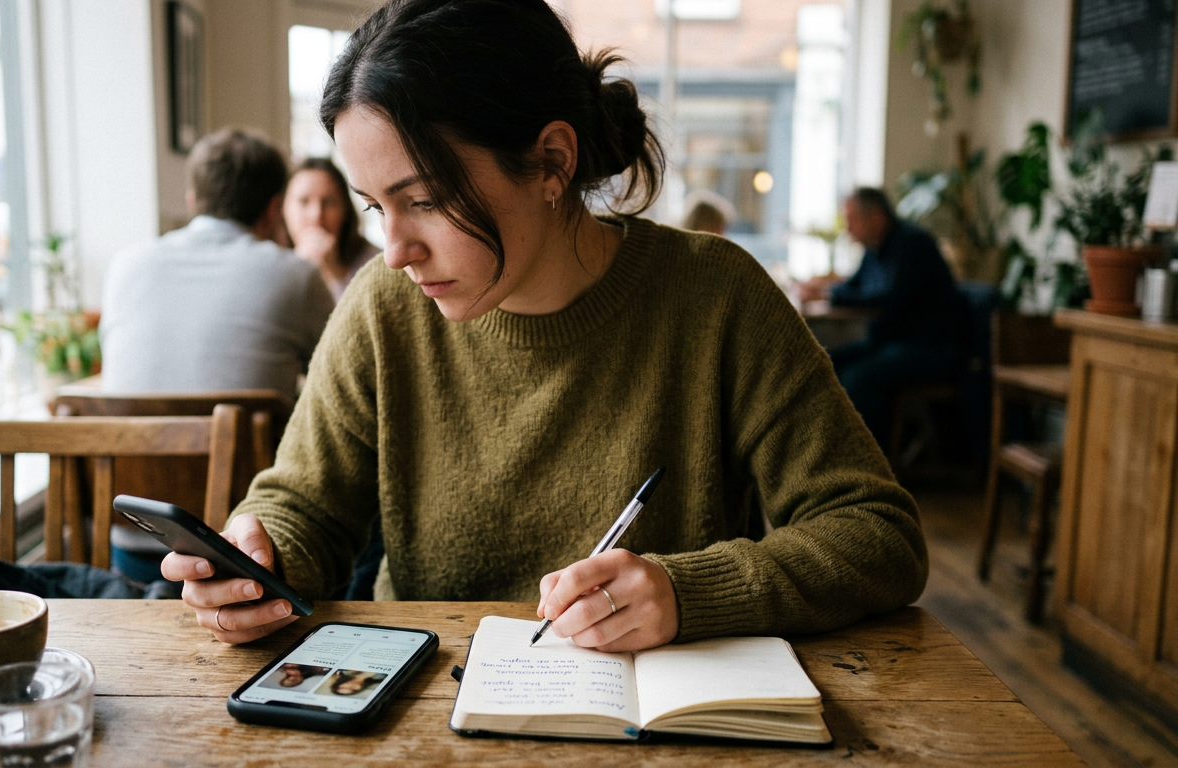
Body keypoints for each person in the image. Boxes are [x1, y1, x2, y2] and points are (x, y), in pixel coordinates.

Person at [162, 0, 927, 654]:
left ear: (552, 161)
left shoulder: (716, 296)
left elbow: (877, 534)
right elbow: (304, 507)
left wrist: (687, 592)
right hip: (423, 714)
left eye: (423, 199)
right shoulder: (383, 306)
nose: (395, 250)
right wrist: (257, 558)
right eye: (374, 207)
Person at [99, 127, 334, 401]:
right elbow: (340, 376)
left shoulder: (124, 266)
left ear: (192, 202)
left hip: (126, 442)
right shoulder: (296, 275)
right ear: (273, 210)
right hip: (247, 444)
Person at [797, 187, 966, 448]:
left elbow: (887, 299)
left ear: (876, 217)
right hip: (890, 343)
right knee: (823, 361)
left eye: (852, 220)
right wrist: (825, 291)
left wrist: (828, 295)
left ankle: (868, 464)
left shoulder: (911, 244)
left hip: (928, 347)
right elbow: (854, 287)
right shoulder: (875, 248)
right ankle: (826, 454)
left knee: (858, 377)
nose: (848, 229)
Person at [283, 157, 382, 301]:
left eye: (328, 202)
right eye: (304, 201)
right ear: (283, 209)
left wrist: (334, 272)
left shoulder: (376, 264)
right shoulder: (270, 264)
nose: (316, 215)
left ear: (345, 210)